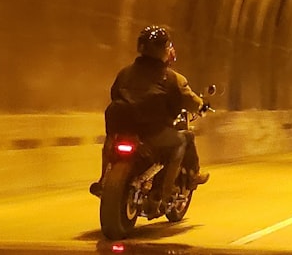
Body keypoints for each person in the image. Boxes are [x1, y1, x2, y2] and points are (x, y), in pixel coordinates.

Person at [90, 25, 210, 208]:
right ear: (164, 49)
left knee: (110, 142)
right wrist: (202, 106)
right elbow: (190, 101)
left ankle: (103, 180)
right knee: (182, 140)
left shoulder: (125, 73)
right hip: (153, 134)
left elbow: (114, 94)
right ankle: (165, 191)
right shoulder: (172, 78)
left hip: (123, 128)